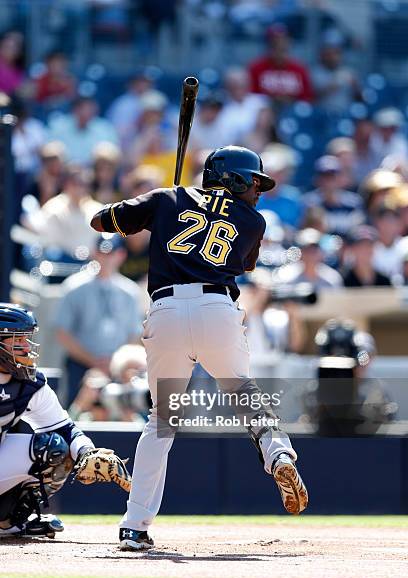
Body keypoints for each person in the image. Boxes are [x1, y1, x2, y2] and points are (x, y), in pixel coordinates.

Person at [91, 145, 309, 551]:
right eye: (253, 182)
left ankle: (134, 526)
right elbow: (242, 266)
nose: (257, 192)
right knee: (244, 393)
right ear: (234, 179)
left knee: (161, 421)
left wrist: (156, 209)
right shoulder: (253, 221)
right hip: (217, 309)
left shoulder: (166, 198)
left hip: (167, 310)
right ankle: (277, 453)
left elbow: (101, 221)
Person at [0, 303, 129, 538]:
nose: (26, 347)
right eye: (17, 341)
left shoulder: (29, 383)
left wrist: (88, 452)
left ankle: (7, 523)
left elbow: (64, 429)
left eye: (27, 339)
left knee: (56, 448)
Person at [54, 234, 143, 406]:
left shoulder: (130, 291)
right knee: (75, 414)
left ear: (121, 255)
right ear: (94, 253)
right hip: (80, 366)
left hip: (118, 369)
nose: (106, 258)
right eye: (102, 253)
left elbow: (134, 334)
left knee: (123, 416)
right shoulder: (74, 287)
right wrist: (92, 360)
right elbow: (62, 332)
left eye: (111, 253)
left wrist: (116, 362)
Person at [248, 24, 313, 109]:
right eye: (275, 42)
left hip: (293, 113)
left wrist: (290, 100)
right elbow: (251, 98)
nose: (280, 44)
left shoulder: (299, 69)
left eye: (283, 41)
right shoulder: (256, 68)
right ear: (268, 45)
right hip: (264, 112)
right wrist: (272, 99)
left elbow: (307, 99)